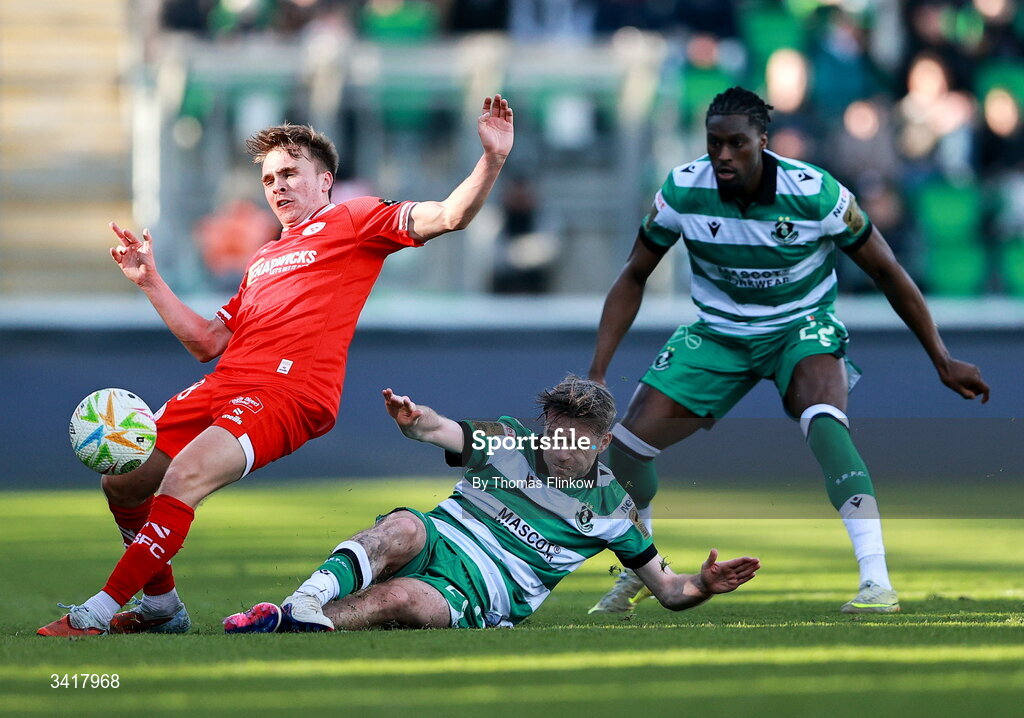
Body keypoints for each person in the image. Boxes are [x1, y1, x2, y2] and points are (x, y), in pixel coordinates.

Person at [38, 95, 516, 637]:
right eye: (269, 180)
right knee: (123, 483)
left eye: (290, 173)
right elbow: (206, 341)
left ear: (326, 181)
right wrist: (149, 280)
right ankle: (162, 609)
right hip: (223, 382)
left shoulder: (355, 220)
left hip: (287, 392)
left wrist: (492, 159)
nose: (278, 187)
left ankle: (95, 614)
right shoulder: (264, 257)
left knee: (182, 478)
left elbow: (449, 215)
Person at [587, 87, 990, 616]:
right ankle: (643, 572)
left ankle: (876, 582)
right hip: (721, 332)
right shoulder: (683, 190)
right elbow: (634, 273)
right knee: (628, 448)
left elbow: (887, 270)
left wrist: (941, 358)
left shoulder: (816, 193)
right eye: (714, 143)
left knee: (825, 423)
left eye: (736, 143)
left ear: (763, 141)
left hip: (801, 327)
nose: (723, 155)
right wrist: (597, 373)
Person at [222, 376, 760, 632]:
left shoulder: (616, 511)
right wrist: (416, 421)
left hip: (481, 589)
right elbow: (442, 429)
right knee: (404, 525)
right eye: (553, 434)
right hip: (438, 537)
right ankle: (300, 600)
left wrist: (705, 585)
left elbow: (667, 589)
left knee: (405, 597)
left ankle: (290, 625)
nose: (558, 448)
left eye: (574, 440)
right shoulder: (506, 439)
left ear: (601, 443)